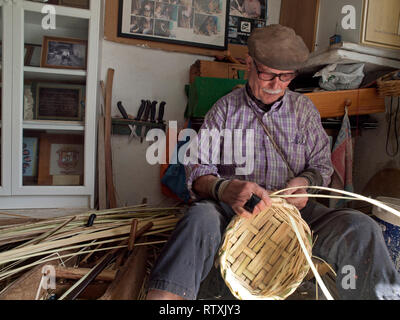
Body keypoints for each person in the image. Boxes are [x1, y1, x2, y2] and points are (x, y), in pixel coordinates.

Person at [146, 24, 400, 300]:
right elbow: (196, 170)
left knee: (361, 227)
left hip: (294, 217)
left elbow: (322, 167)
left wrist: (305, 183)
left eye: (286, 77)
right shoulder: (225, 111)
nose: (276, 85)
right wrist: (225, 189)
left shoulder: (303, 111)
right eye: (267, 74)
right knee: (199, 218)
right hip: (235, 216)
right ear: (249, 64)